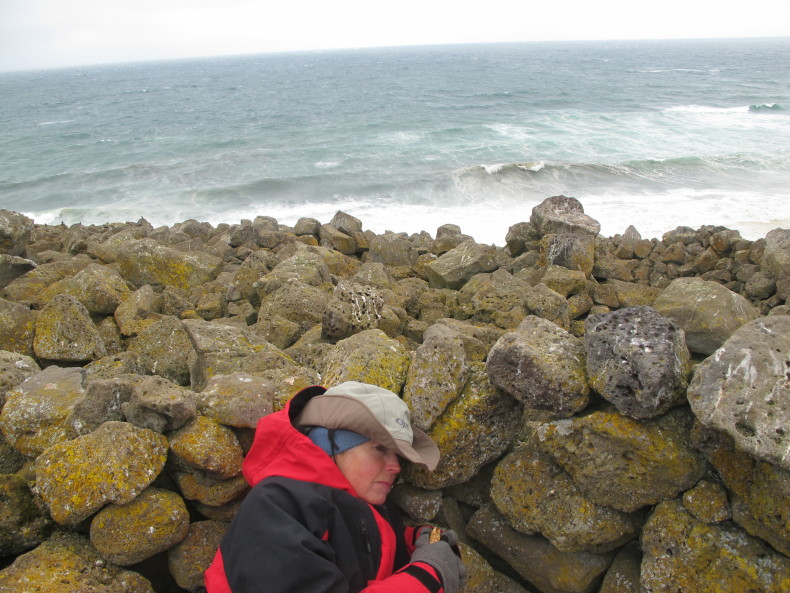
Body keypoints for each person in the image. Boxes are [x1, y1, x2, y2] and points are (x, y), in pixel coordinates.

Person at [204, 381, 467, 593]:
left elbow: (365, 546)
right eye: (380, 449)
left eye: (398, 456)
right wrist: (429, 575)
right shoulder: (274, 509)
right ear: (330, 445)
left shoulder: (363, 501)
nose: (395, 467)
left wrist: (417, 541)